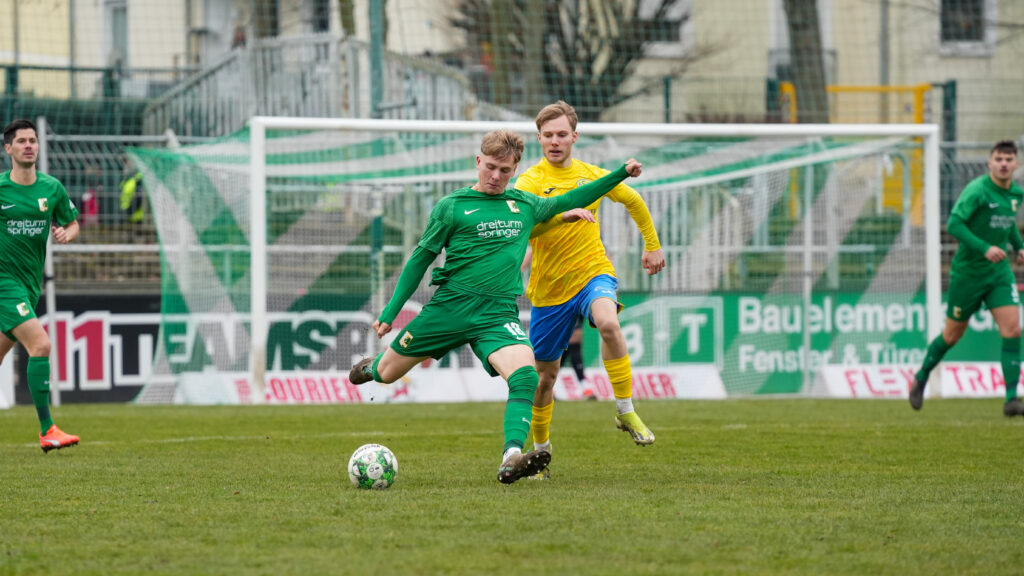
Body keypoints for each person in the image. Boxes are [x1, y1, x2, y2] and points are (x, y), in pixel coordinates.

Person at [348, 129, 643, 484]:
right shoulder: (451, 206)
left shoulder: (525, 204)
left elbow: (576, 196)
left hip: (497, 315)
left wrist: (620, 174)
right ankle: (372, 367)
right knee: (387, 374)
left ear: (514, 169)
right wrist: (389, 313)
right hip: (448, 310)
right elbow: (419, 259)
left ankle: (511, 457)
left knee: (526, 377)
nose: (495, 176)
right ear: (478, 162)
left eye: (505, 170)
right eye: (490, 167)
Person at [514, 101, 665, 474]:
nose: (555, 141)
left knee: (609, 323)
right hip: (550, 290)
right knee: (544, 377)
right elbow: (524, 228)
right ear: (539, 139)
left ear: (574, 137)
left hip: (592, 272)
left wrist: (652, 244)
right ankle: (541, 450)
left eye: (562, 134)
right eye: (548, 135)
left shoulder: (590, 175)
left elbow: (632, 197)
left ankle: (626, 411)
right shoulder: (529, 182)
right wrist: (561, 215)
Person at [910, 140, 1024, 416]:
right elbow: (954, 224)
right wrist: (984, 248)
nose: (1004, 164)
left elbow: (1006, 223)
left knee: (1013, 330)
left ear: (1016, 164)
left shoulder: (1016, 194)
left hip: (998, 274)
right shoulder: (977, 190)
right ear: (990, 163)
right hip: (968, 275)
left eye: (1009, 159)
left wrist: (1018, 246)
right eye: (999, 159)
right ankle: (922, 376)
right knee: (951, 335)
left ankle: (1011, 399)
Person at [0, 119, 81, 451]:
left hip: (30, 285)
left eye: (33, 140)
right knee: (41, 345)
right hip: (5, 283)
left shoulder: (52, 188)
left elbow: (73, 223)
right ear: (9, 149)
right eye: (21, 141)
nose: (29, 145)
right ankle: (48, 429)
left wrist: (66, 233)